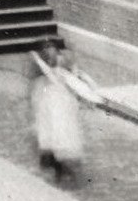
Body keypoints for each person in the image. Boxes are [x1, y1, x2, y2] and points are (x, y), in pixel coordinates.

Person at [29, 39, 102, 184]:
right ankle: (58, 167)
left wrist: (38, 61)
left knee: (60, 137)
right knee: (56, 136)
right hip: (55, 110)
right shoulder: (54, 78)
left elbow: (74, 83)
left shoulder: (62, 76)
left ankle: (61, 168)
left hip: (61, 110)